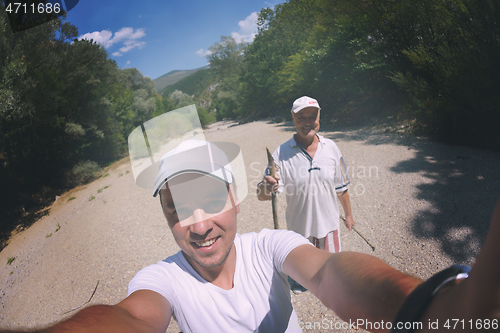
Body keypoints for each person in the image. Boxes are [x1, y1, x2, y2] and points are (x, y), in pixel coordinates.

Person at [1, 139, 499, 333]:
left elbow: (328, 270)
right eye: (178, 210)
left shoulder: (268, 245)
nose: (198, 225)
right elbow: (128, 318)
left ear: (235, 200)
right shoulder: (160, 279)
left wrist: (424, 307)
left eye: (211, 201)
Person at [257, 96, 355, 255]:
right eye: (302, 117)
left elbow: (341, 187)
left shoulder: (331, 147)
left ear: (319, 118)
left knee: (331, 273)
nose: (308, 122)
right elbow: (262, 196)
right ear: (293, 118)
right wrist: (266, 187)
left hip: (330, 228)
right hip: (299, 233)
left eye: (313, 117)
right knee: (304, 278)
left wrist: (348, 216)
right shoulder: (280, 154)